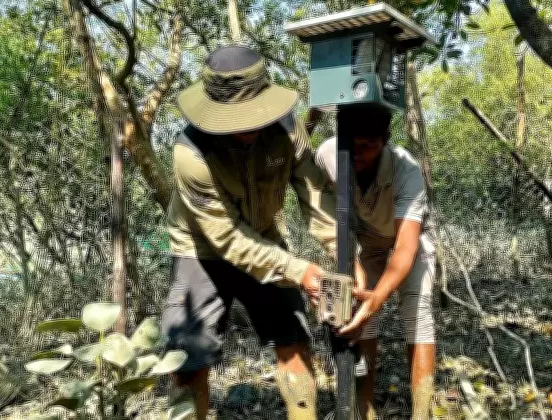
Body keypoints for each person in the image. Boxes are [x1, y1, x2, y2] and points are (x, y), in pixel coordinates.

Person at [162, 45, 346, 420]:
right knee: (188, 359)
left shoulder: (288, 129)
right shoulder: (190, 153)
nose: (245, 129)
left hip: (265, 240)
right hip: (201, 252)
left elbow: (315, 195)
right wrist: (300, 270)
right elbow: (227, 238)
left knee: (293, 341)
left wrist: (343, 252)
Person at [314, 105, 438, 420]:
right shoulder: (327, 155)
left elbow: (405, 246)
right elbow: (325, 218)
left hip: (406, 243)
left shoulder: (405, 169)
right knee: (356, 316)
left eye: (368, 146)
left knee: (417, 311)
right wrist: (350, 265)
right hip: (361, 246)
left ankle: (422, 412)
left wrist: (378, 298)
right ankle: (362, 407)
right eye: (352, 145)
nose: (358, 153)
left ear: (384, 141)